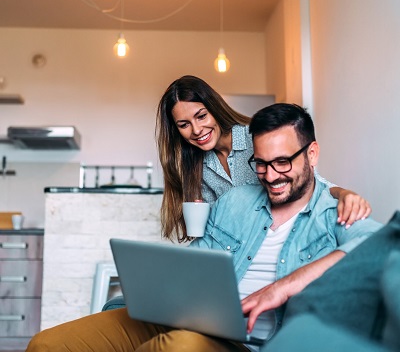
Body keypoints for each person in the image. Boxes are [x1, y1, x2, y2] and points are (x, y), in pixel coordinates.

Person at [26, 103, 381, 352]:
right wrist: (157, 289)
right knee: (48, 344)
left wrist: (281, 289)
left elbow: (378, 246)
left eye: (283, 162)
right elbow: (198, 263)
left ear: (312, 153)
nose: (271, 176)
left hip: (242, 343)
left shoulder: (336, 211)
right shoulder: (235, 202)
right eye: (261, 164)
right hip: (191, 321)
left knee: (179, 347)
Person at [157, 75, 371, 242]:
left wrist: (344, 194)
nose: (196, 130)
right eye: (184, 125)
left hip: (283, 236)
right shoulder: (197, 165)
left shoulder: (256, 139)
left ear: (214, 109)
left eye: (201, 116)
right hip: (242, 251)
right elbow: (213, 225)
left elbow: (310, 182)